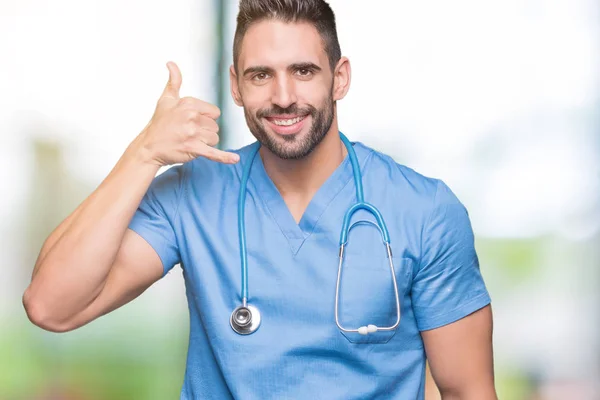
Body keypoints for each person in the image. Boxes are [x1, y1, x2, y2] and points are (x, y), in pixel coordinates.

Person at [23, 0, 497, 398]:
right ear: (235, 85)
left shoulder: (424, 210)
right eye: (260, 75)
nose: (284, 96)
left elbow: (468, 390)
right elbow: (51, 306)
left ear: (340, 77)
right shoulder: (193, 195)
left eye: (304, 70)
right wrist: (144, 152)